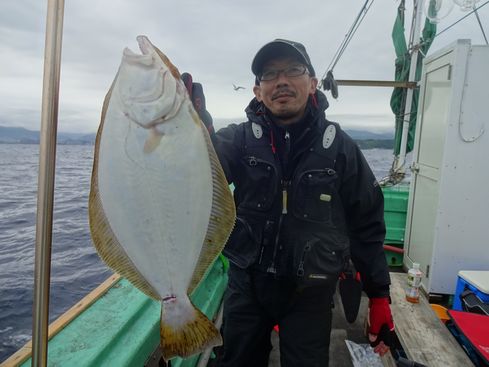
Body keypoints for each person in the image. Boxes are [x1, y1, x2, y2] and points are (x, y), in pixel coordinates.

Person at [182, 39, 394, 367]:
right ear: (257, 90)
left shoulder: (340, 147)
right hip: (248, 285)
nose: (281, 80)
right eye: (269, 74)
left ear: (312, 83)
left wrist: (379, 294)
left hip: (311, 292)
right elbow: (197, 176)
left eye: (293, 70)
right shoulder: (237, 140)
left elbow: (366, 222)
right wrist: (190, 133)